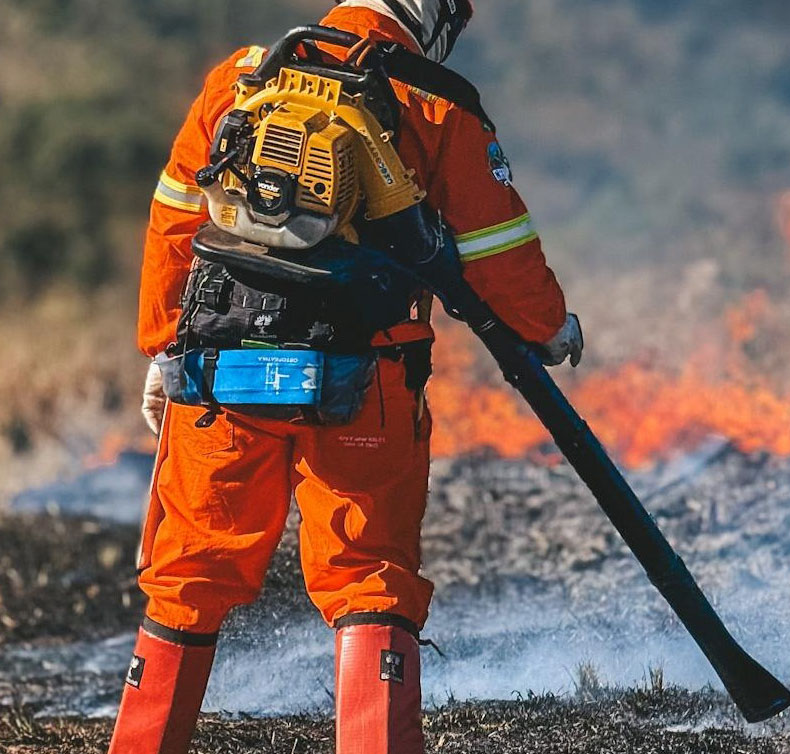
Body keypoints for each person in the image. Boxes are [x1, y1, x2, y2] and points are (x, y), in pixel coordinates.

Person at [110, 1, 583, 753]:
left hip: (222, 373)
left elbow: (174, 221)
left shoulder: (238, 79)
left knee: (188, 576)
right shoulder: (436, 105)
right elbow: (498, 251)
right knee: (370, 576)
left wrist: (163, 351)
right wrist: (549, 329)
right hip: (366, 380)